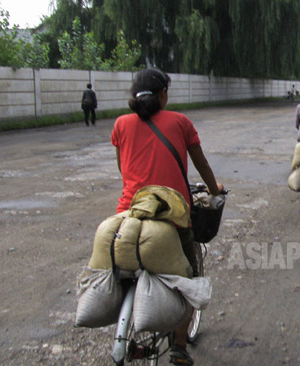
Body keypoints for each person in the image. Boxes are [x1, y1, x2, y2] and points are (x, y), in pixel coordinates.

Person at [111, 68, 223, 366]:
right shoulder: (180, 122)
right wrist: (216, 189)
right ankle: (180, 347)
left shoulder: (121, 124)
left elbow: (124, 171)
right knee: (189, 278)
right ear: (164, 95)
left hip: (130, 215)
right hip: (172, 218)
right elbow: (202, 166)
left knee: (125, 265)